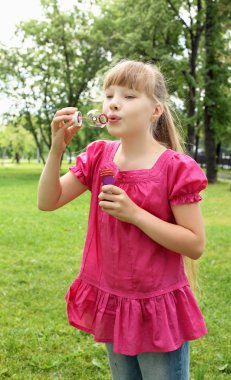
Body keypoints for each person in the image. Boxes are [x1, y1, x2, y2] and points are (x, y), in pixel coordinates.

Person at [37, 59, 208, 380]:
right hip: (115, 304)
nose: (114, 102)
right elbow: (48, 201)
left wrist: (135, 214)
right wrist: (55, 150)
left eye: (129, 96)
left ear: (155, 111)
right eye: (109, 95)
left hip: (157, 309)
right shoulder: (99, 155)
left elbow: (195, 244)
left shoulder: (175, 168)